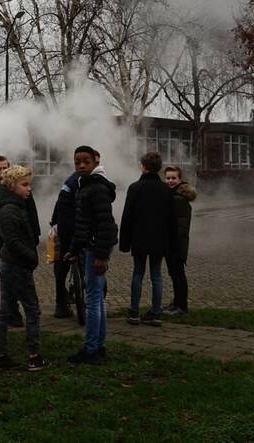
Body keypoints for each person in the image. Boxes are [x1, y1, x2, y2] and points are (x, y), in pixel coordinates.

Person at [0, 165, 48, 372]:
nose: (29, 188)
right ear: (12, 186)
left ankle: (0, 357)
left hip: (12, 264)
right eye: (24, 184)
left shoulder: (16, 204)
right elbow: (13, 241)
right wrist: (32, 257)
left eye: (29, 184)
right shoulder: (9, 210)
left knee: (6, 311)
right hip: (16, 266)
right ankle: (34, 357)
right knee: (32, 310)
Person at [65, 146, 117, 365]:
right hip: (91, 246)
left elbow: (105, 224)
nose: (81, 165)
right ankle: (99, 345)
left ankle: (91, 349)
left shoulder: (97, 188)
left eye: (86, 161)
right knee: (97, 298)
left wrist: (101, 256)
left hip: (97, 248)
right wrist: (74, 249)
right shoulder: (85, 184)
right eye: (77, 162)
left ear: (96, 160)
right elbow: (83, 223)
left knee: (93, 299)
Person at [0, 155, 40, 327]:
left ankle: (28, 306)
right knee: (7, 277)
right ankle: (12, 311)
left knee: (25, 274)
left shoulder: (22, 185)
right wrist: (5, 187)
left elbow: (31, 210)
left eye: (5, 168)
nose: (2, 171)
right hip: (5, 238)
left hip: (25, 235)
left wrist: (36, 234)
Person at [119, 151, 173, 327]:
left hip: (139, 238)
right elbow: (170, 218)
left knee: (138, 273)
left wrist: (124, 242)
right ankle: (156, 314)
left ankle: (134, 312)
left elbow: (127, 216)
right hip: (159, 238)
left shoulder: (135, 188)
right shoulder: (165, 189)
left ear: (143, 166)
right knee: (156, 275)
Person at [163, 165, 196, 316]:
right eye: (168, 178)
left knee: (178, 275)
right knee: (175, 275)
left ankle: (181, 306)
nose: (170, 181)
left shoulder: (178, 199)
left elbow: (179, 227)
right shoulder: (173, 195)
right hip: (173, 243)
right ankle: (177, 302)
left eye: (173, 178)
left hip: (176, 244)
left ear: (180, 179)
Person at [49, 170, 79, 318]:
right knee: (62, 266)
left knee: (60, 267)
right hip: (73, 230)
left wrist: (54, 221)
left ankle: (61, 304)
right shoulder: (76, 181)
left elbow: (59, 202)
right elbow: (61, 202)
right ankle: (62, 304)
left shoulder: (70, 181)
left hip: (66, 228)